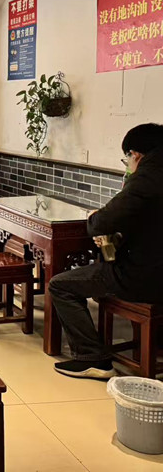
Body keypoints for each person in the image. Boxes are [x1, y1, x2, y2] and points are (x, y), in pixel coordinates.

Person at [49, 123, 163, 379]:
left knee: (60, 285)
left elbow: (102, 223)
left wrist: (94, 216)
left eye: (127, 159)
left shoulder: (146, 179)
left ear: (136, 155)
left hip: (143, 277)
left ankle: (93, 358)